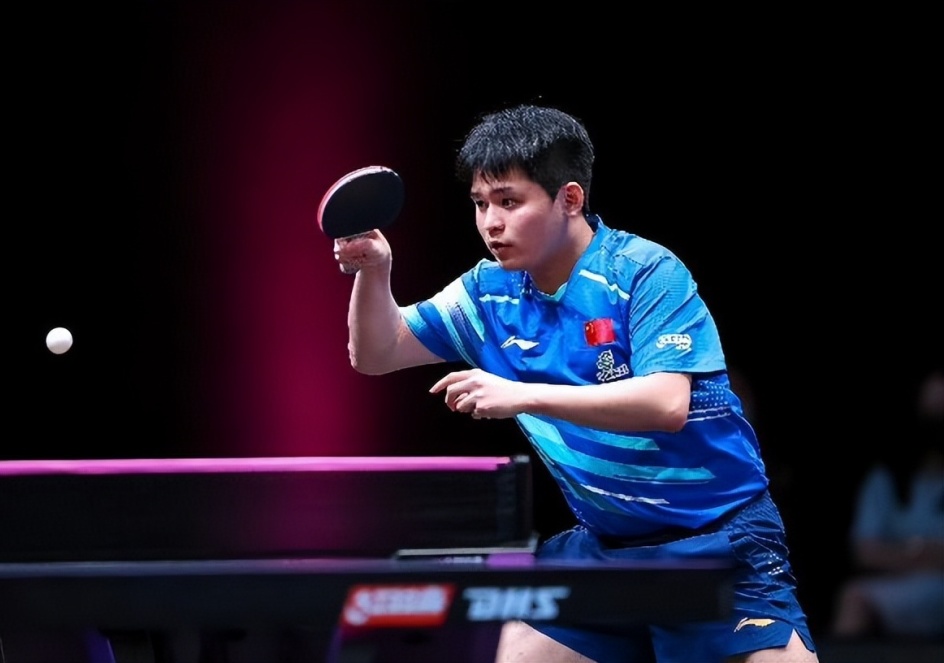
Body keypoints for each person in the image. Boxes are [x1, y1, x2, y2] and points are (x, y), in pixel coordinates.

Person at [332, 104, 819, 662]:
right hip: (607, 552)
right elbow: (377, 352)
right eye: (480, 203)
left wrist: (522, 395)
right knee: (510, 654)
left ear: (569, 199)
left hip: (718, 545)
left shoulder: (644, 272)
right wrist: (374, 271)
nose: (491, 222)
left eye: (509, 202)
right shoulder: (489, 293)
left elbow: (666, 403)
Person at [829, 368, 944, 640]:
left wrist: (904, 553)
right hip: (901, 588)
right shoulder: (885, 478)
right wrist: (924, 554)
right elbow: (865, 552)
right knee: (854, 598)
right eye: (931, 415)